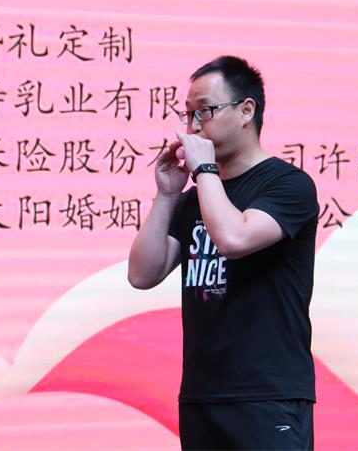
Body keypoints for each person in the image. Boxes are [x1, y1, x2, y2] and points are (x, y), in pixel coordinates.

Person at [127, 56, 319, 450]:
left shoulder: (288, 185)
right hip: (202, 395)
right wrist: (167, 194)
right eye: (189, 114)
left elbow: (234, 238)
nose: (194, 126)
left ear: (247, 110)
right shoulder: (194, 198)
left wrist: (204, 172)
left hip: (268, 395)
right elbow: (142, 274)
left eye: (205, 111)